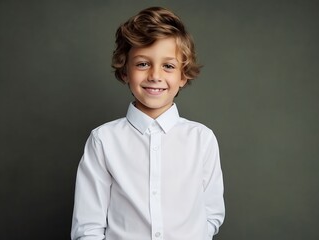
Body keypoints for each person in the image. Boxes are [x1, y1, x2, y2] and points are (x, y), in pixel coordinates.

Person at [71, 6, 225, 240]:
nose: (155, 75)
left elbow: (212, 213)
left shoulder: (202, 139)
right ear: (125, 72)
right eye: (143, 64)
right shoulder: (103, 140)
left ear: (183, 76)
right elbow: (88, 227)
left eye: (169, 66)